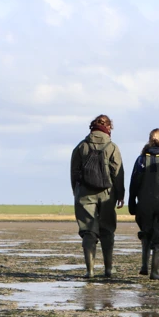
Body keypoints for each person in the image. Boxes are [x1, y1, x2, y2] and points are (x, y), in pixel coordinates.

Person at [70, 115, 125, 278]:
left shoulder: (81, 146)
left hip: (84, 193)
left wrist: (76, 192)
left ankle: (90, 271)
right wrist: (120, 194)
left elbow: (74, 172)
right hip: (107, 193)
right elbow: (118, 173)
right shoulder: (112, 147)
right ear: (109, 128)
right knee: (107, 230)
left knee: (88, 231)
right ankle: (108, 269)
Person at [128, 129, 159, 280]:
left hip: (144, 202)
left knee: (146, 234)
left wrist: (131, 202)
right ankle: (155, 272)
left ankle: (144, 266)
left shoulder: (141, 159)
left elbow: (134, 183)